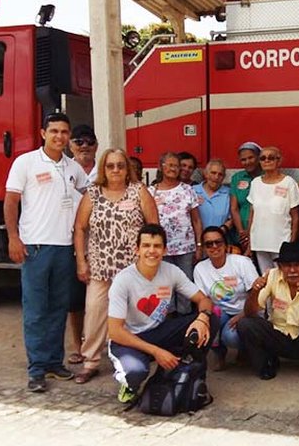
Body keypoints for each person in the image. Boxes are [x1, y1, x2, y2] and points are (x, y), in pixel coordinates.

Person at [4, 112, 89, 392]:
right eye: (54, 131)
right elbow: (11, 201)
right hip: (36, 248)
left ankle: (54, 363)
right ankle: (37, 369)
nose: (59, 137)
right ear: (43, 133)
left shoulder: (73, 168)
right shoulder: (25, 163)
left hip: (65, 249)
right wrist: (14, 238)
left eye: (64, 132)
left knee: (57, 309)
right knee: (36, 311)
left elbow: (87, 200)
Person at [72, 148, 158, 384]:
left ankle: (133, 356)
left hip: (132, 268)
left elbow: (153, 225)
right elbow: (80, 228)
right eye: (110, 166)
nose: (116, 170)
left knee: (134, 315)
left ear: (127, 167)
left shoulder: (139, 191)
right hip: (100, 266)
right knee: (95, 313)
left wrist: (150, 260)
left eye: (120, 165)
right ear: (103, 169)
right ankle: (90, 361)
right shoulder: (93, 193)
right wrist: (81, 261)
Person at [107, 224, 219, 404]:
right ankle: (129, 385)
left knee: (211, 319)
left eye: (157, 246)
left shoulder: (171, 271)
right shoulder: (123, 280)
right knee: (136, 372)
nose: (152, 251)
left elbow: (203, 300)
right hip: (128, 340)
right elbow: (115, 331)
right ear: (137, 250)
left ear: (165, 250)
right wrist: (157, 352)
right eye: (146, 246)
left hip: (158, 332)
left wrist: (202, 318)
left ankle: (189, 370)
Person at [237, 241, 299, 382]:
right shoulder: (271, 276)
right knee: (245, 324)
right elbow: (250, 313)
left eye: (297, 265)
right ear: (280, 267)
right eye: (287, 265)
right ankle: (266, 364)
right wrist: (255, 292)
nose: (292, 270)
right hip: (278, 337)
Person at [194, 226, 259, 371]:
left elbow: (256, 295)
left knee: (230, 337)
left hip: (246, 311)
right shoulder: (200, 268)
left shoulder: (242, 262)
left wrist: (242, 316)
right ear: (204, 248)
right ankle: (219, 354)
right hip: (220, 312)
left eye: (218, 242)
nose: (214, 247)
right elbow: (204, 299)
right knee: (210, 319)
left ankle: (245, 351)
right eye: (209, 244)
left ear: (226, 244)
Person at [150, 152, 203, 313]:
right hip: (162, 249)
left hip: (186, 248)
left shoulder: (187, 190)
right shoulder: (151, 191)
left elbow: (196, 220)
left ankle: (185, 320)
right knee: (164, 285)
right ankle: (169, 319)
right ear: (161, 166)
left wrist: (199, 245)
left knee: (185, 284)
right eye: (170, 165)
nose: (174, 169)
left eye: (176, 166)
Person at [65, 124, 99, 366]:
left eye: (89, 141)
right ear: (71, 145)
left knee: (104, 300)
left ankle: (107, 344)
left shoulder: (106, 170)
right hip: (71, 244)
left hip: (102, 246)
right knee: (75, 302)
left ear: (96, 145)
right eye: (79, 141)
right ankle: (79, 347)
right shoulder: (62, 170)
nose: (84, 146)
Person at [247, 146, 299, 271]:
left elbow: (295, 217)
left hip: (282, 242)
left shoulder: (289, 182)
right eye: (262, 158)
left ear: (279, 161)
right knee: (266, 279)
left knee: (284, 278)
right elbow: (252, 214)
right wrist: (250, 242)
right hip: (259, 242)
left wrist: (291, 243)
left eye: (271, 158)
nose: (266, 161)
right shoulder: (255, 183)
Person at [229, 142, 262, 251]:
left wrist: (250, 231)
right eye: (243, 159)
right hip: (241, 233)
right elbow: (234, 208)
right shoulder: (237, 178)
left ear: (258, 157)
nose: (247, 162)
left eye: (251, 158)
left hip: (262, 231)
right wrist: (242, 232)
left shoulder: (267, 176)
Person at [193, 159, 236, 232]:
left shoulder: (229, 193)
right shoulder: (192, 191)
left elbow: (234, 217)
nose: (216, 177)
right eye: (213, 173)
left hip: (220, 238)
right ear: (206, 174)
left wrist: (222, 230)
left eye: (220, 174)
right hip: (196, 238)